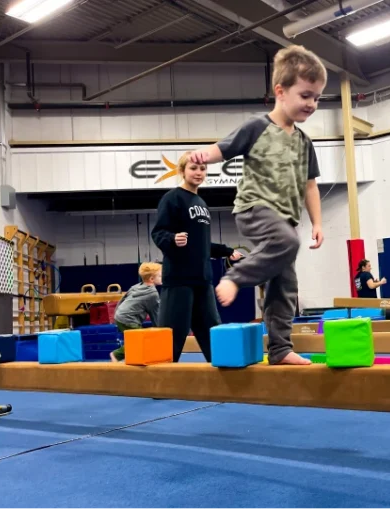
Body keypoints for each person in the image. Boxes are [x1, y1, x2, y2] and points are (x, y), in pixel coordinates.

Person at [188, 45, 326, 365]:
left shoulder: (305, 142)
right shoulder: (257, 127)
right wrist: (201, 156)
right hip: (254, 209)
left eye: (317, 98)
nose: (312, 104)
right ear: (280, 91)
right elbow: (224, 148)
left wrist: (317, 223)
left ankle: (280, 349)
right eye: (306, 95)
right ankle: (237, 276)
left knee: (285, 283)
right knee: (287, 241)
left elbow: (310, 185)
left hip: (285, 220)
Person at [152, 152, 242, 362]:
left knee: (211, 329)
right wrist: (173, 239)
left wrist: (226, 251)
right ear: (182, 171)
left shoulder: (201, 202)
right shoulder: (172, 198)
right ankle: (161, 380)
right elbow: (158, 232)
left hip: (202, 280)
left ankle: (222, 373)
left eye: (202, 169)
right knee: (173, 332)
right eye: (193, 168)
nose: (199, 173)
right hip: (179, 279)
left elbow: (201, 243)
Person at [110, 262, 162, 362]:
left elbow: (123, 299)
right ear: (151, 279)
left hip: (120, 316)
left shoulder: (137, 286)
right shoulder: (152, 294)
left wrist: (115, 314)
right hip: (129, 319)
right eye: (160, 276)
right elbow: (155, 314)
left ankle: (131, 358)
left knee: (135, 340)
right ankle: (116, 355)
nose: (162, 277)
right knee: (139, 341)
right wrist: (160, 329)